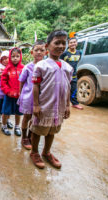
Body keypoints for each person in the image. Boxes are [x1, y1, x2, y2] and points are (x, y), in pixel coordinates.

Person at [30, 30, 73, 169]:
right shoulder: (41, 65)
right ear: (48, 46)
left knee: (52, 131)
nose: (61, 46)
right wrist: (36, 105)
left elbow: (67, 88)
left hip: (59, 107)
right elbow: (35, 86)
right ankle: (34, 152)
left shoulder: (68, 67)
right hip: (44, 105)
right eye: (57, 42)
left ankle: (46, 152)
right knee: (38, 130)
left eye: (63, 43)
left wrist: (67, 105)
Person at [18, 41, 46, 150]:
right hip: (28, 97)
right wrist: (21, 95)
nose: (39, 52)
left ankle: (30, 135)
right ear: (31, 52)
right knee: (27, 117)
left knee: (35, 118)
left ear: (46, 52)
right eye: (36, 50)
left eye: (42, 50)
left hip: (41, 98)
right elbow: (21, 81)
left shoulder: (46, 67)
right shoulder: (28, 67)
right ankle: (24, 137)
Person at [0, 47, 24, 136]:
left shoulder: (23, 68)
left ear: (20, 57)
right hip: (9, 95)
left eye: (17, 56)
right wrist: (7, 91)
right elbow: (3, 81)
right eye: (13, 56)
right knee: (5, 112)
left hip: (19, 96)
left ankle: (17, 126)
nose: (15, 58)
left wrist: (23, 92)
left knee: (19, 112)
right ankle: (4, 126)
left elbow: (25, 81)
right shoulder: (7, 68)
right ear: (10, 57)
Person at [60, 37, 83, 110]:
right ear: (68, 44)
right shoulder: (64, 53)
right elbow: (60, 62)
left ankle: (75, 103)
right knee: (63, 90)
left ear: (77, 43)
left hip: (74, 75)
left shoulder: (79, 52)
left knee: (74, 89)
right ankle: (62, 104)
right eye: (71, 42)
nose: (73, 44)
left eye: (74, 42)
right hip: (64, 75)